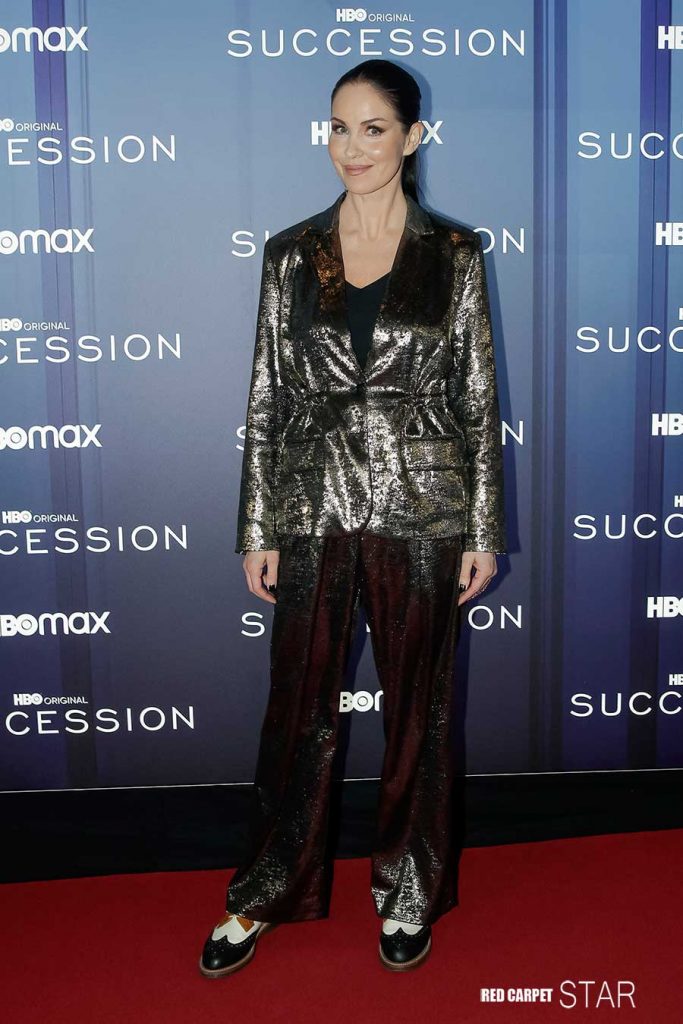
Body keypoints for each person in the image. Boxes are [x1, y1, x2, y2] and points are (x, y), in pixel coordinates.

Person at [199, 57, 507, 977]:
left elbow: (476, 399)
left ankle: (408, 890)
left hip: (424, 509)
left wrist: (482, 529)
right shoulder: (291, 252)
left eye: (372, 128)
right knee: (295, 711)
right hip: (310, 504)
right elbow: (265, 396)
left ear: (412, 138)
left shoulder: (455, 255)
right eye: (338, 127)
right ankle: (264, 889)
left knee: (419, 715)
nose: (352, 147)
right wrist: (257, 525)